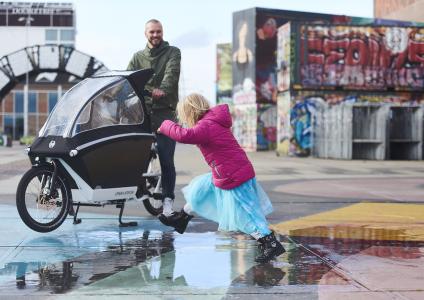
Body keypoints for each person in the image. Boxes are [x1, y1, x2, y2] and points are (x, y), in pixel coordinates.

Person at [157, 93, 285, 263]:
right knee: (201, 190)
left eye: (185, 115)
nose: (185, 120)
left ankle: (269, 242)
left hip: (233, 175)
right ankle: (182, 218)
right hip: (227, 172)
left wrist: (165, 125)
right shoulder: (211, 121)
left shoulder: (206, 125)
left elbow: (184, 136)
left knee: (246, 213)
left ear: (191, 112)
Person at [127, 19, 181, 219]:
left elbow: (171, 75)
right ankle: (139, 186)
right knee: (132, 152)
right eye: (152, 32)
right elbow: (128, 79)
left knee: (166, 159)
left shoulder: (172, 52)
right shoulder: (137, 57)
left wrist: (163, 90)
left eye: (159, 32)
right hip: (142, 113)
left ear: (163, 32)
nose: (155, 35)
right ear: (145, 34)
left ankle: (167, 201)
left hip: (165, 113)